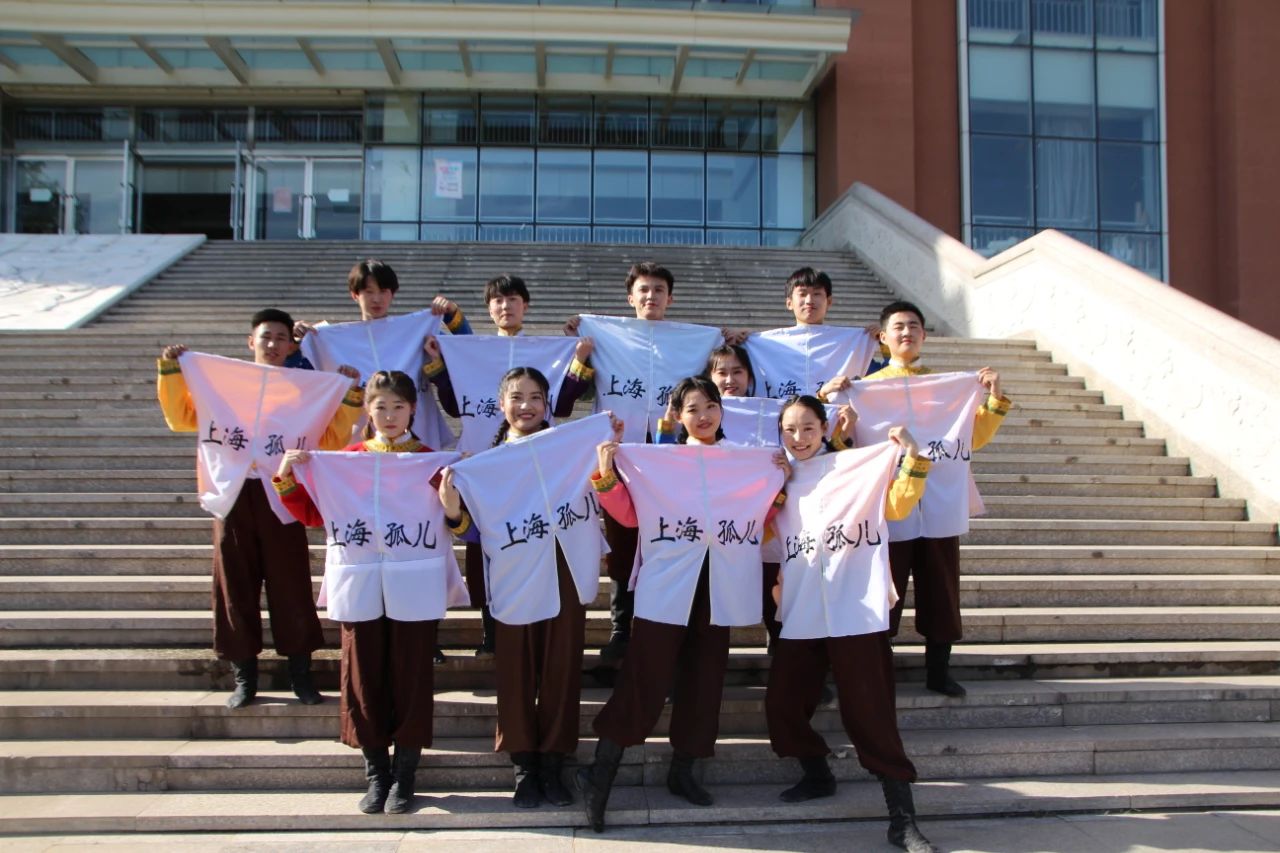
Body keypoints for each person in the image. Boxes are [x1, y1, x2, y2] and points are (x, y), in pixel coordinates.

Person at [577, 376, 789, 832]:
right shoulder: (660, 462)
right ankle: (600, 773)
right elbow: (630, 515)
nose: (704, 416)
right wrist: (606, 474)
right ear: (676, 415)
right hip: (667, 583)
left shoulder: (744, 461)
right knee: (645, 676)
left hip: (718, 583)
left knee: (704, 679)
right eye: (692, 408)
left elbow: (757, 516)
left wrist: (779, 483)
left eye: (711, 406)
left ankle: (684, 770)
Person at [157, 308, 363, 709]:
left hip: (281, 494)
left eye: (281, 338)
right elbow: (181, 418)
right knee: (234, 586)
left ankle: (301, 674)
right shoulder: (223, 382)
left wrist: (349, 394)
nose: (273, 344)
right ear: (251, 341)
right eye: (266, 336)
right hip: (233, 494)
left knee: (291, 585)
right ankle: (244, 677)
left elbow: (333, 437)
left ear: (291, 345)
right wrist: (173, 370)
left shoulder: (305, 389)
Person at [271, 370, 453, 815]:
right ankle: (376, 774)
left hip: (414, 578)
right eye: (380, 407)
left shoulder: (432, 463)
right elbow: (315, 515)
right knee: (362, 675)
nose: (389, 416)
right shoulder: (346, 460)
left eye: (398, 406)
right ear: (367, 412)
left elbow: (457, 516)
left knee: (412, 675)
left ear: (413, 409)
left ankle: (405, 776)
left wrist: (454, 491)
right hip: (359, 578)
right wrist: (286, 476)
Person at [766, 395, 938, 853]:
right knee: (783, 701)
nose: (798, 438)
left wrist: (912, 457)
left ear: (825, 429)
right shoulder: (778, 478)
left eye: (808, 428)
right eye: (789, 429)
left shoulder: (855, 468)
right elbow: (758, 530)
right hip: (802, 605)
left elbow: (897, 507)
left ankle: (901, 819)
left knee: (870, 711)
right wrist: (774, 489)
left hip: (854, 607)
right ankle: (816, 772)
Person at [437, 368, 602, 809]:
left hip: (565, 569)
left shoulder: (572, 450)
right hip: (513, 574)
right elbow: (475, 531)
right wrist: (453, 511)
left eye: (535, 397)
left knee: (561, 670)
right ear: (501, 404)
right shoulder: (486, 465)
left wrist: (609, 450)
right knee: (515, 672)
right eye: (516, 397)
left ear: (548, 404)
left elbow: (604, 488)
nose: (525, 405)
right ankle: (524, 765)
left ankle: (553, 762)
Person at [296, 259, 469, 666]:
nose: (376, 299)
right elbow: (301, 380)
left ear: (393, 294)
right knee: (368, 541)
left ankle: (424, 628)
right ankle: (371, 628)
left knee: (424, 540)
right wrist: (301, 343)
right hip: (362, 457)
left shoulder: (415, 329)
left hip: (416, 455)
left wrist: (453, 317)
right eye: (367, 291)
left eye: (383, 291)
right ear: (354, 295)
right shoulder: (329, 338)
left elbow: (469, 354)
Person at [424, 274, 596, 657]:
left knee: (528, 543)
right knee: (484, 549)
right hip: (484, 467)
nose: (506, 307)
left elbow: (562, 405)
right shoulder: (472, 352)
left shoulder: (546, 351)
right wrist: (437, 366)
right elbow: (453, 404)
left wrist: (579, 360)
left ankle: (533, 628)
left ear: (525, 306)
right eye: (498, 301)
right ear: (489, 309)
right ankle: (492, 630)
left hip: (534, 470)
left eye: (513, 299)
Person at [864, 300, 1011, 697]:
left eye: (914, 326)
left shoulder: (945, 386)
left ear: (924, 336)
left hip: (940, 499)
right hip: (891, 502)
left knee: (941, 588)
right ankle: (877, 671)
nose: (906, 332)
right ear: (883, 337)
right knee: (885, 587)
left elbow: (973, 437)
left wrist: (994, 397)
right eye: (898, 326)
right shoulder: (867, 388)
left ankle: (938, 670)